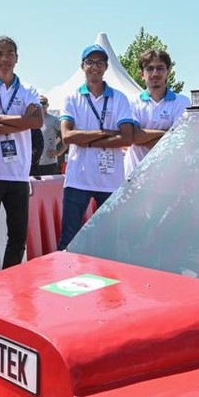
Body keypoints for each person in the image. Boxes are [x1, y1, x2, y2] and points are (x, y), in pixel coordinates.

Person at [0, 35, 42, 274]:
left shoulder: (28, 89)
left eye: (9, 53)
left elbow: (37, 121)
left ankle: (9, 281)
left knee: (18, 237)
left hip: (19, 176)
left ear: (17, 58)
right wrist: (21, 121)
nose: (5, 59)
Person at [57, 45, 137, 251]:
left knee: (107, 243)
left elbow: (126, 138)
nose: (95, 67)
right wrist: (107, 132)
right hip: (78, 179)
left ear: (106, 67)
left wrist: (85, 139)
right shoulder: (72, 98)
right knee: (69, 241)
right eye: (90, 62)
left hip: (109, 181)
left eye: (100, 62)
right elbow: (67, 136)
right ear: (82, 66)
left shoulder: (119, 98)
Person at [126, 49, 190, 175]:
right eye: (150, 68)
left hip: (168, 177)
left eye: (160, 68)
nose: (155, 73)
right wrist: (168, 133)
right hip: (134, 176)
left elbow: (180, 141)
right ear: (142, 74)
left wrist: (144, 137)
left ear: (168, 72)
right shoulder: (131, 101)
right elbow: (133, 136)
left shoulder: (182, 102)